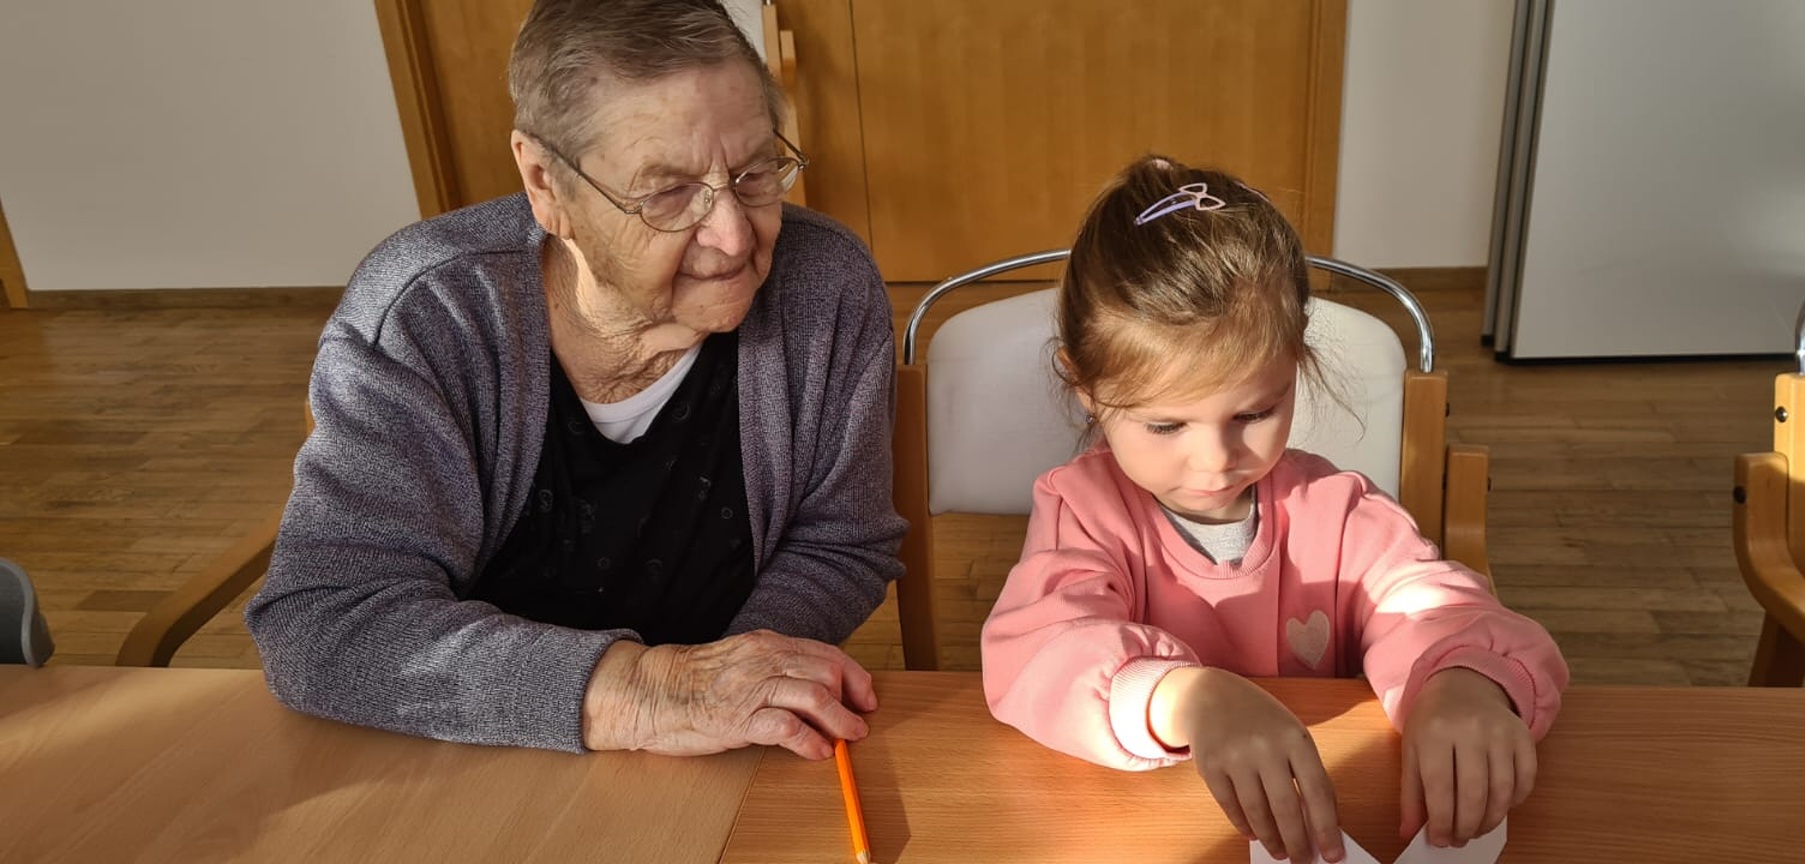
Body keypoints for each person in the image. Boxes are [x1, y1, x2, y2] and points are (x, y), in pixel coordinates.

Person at [245, 0, 903, 761]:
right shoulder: (432, 312)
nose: (733, 236)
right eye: (666, 192)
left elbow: (839, 541)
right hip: (471, 755)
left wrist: (729, 689)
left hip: (717, 757)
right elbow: (325, 620)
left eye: (755, 172)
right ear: (545, 183)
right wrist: (649, 694)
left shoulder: (826, 283)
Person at [980, 156, 1569, 863]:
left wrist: (1463, 680)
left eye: (1254, 413)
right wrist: (1184, 700)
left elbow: (1435, 607)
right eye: (1165, 425)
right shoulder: (1082, 510)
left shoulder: (1338, 512)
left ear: (1296, 363)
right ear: (1084, 388)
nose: (1215, 460)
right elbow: (1040, 655)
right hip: (1150, 828)